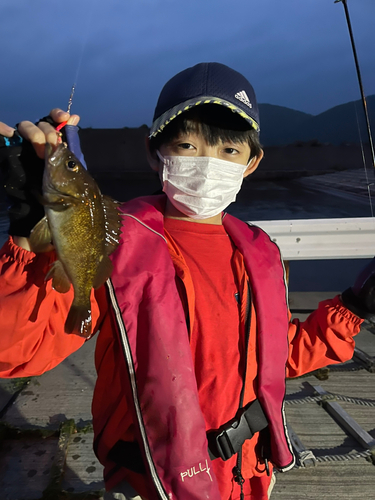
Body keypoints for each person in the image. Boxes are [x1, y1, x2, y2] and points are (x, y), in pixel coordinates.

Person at [0, 62, 374, 500]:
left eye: (229, 151)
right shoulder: (115, 244)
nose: (207, 163)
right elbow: (16, 351)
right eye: (187, 145)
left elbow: (274, 355)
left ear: (252, 163)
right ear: (153, 152)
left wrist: (352, 307)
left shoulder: (260, 253)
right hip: (149, 479)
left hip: (246, 474)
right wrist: (28, 238)